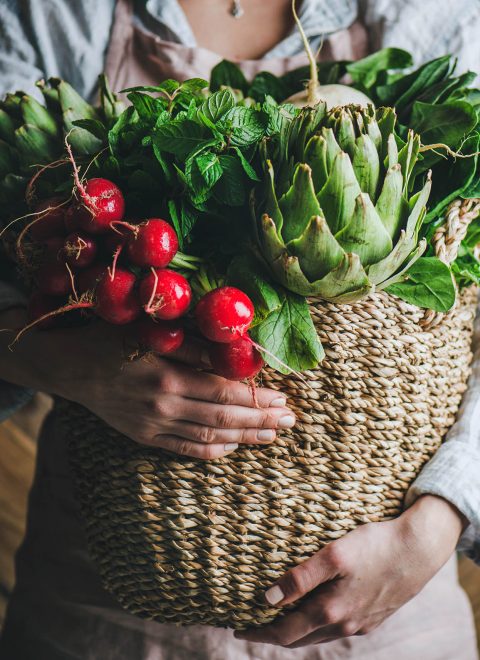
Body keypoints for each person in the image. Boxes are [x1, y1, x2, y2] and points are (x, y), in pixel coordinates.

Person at [0, 1, 479, 658]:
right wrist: (66, 364)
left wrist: (437, 523)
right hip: (102, 615)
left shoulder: (431, 11)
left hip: (390, 610)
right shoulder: (52, 11)